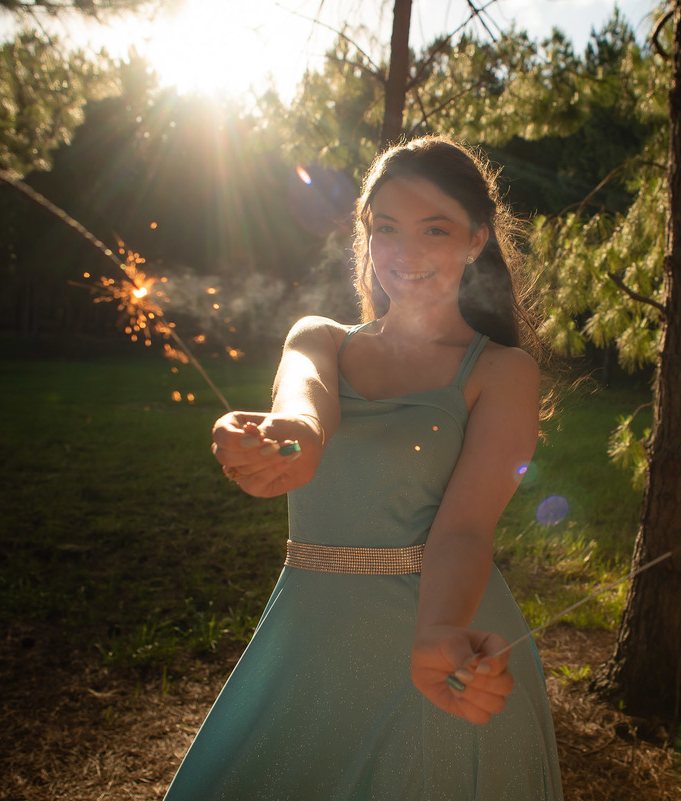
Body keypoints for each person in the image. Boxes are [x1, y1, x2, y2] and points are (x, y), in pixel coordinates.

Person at [164, 135, 563, 800]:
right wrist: (279, 441)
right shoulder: (318, 337)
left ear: (476, 240)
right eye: (386, 229)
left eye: (434, 229)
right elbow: (305, 415)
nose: (404, 253)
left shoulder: (502, 372)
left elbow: (465, 528)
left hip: (438, 646)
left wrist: (438, 631)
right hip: (309, 644)